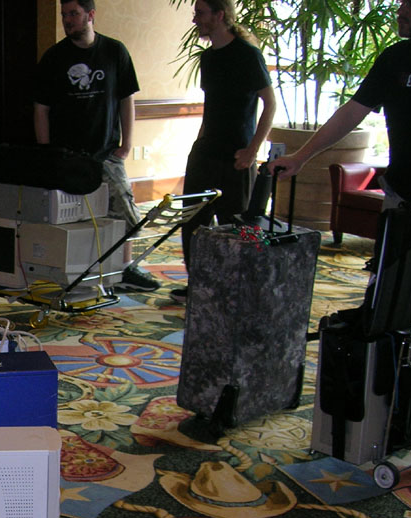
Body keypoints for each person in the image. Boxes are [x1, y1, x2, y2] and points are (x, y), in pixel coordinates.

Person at [272, 0, 411, 518]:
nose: (403, 9)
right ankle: (394, 413)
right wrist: (302, 156)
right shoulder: (395, 58)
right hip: (403, 199)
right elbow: (353, 110)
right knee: (390, 312)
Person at [32, 0, 160, 293]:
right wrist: (46, 153)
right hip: (66, 155)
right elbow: (41, 109)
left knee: (127, 215)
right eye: (64, 15)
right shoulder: (54, 57)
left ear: (90, 15)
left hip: (105, 152)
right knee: (63, 217)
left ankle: (125, 268)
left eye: (73, 14)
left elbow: (127, 99)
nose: (67, 20)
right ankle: (65, 270)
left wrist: (127, 143)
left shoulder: (114, 52)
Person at [171, 0, 276, 304]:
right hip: (206, 152)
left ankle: (237, 291)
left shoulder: (248, 55)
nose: (195, 20)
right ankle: (199, 286)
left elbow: (270, 104)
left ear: (220, 15)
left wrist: (253, 150)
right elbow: (211, 109)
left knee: (236, 227)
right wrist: (198, 145)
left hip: (237, 156)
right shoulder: (208, 58)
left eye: (200, 13)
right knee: (193, 223)